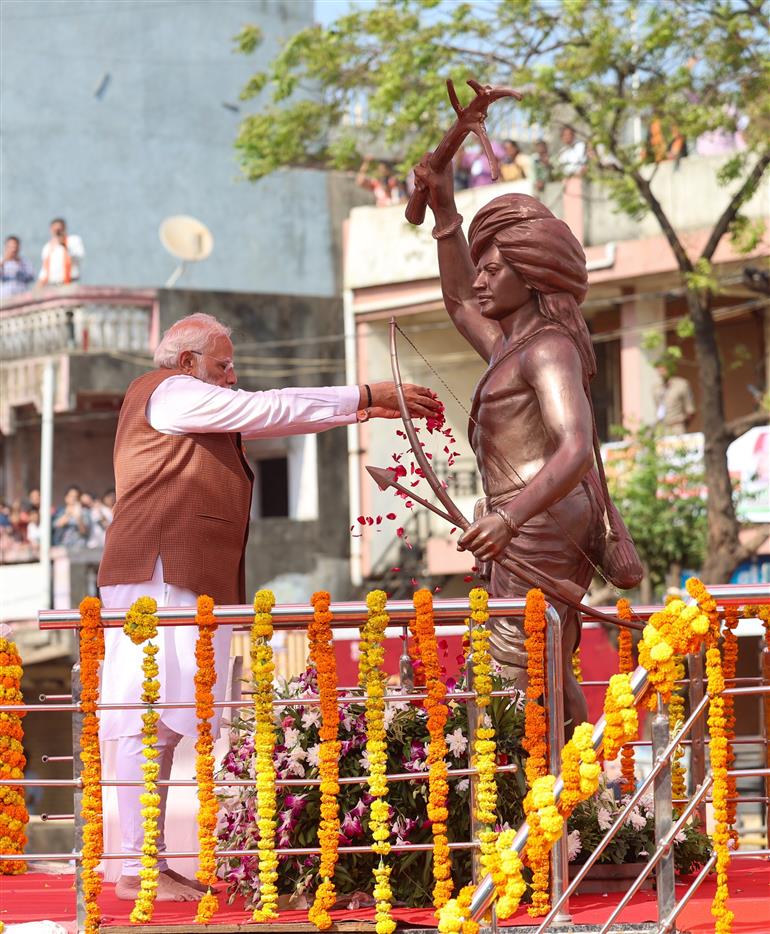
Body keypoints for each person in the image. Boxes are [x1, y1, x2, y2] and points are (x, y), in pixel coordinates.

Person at [97, 312, 439, 901]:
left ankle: (143, 861)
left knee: (169, 718)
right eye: (223, 365)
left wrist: (358, 409)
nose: (232, 377)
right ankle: (133, 866)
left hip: (179, 576)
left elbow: (274, 416)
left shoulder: (190, 400)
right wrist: (362, 393)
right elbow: (267, 409)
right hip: (155, 573)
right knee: (144, 714)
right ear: (186, 363)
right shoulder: (174, 394)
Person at [413, 157, 612, 733]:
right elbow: (456, 304)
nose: (479, 282)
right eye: (479, 269)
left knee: (528, 662)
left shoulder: (549, 348)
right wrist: (446, 212)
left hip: (543, 519)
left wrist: (511, 518)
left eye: (493, 270)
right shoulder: (507, 345)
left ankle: (572, 794)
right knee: (537, 661)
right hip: (521, 518)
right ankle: (571, 791)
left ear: (530, 276)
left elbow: (574, 446)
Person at [38, 217, 84, 286]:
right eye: (55, 230)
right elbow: (44, 269)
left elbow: (79, 257)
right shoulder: (47, 247)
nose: (57, 232)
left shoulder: (73, 241)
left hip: (70, 284)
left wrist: (64, 245)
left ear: (64, 228)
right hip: (52, 285)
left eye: (59, 230)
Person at [653, 362, 695, 435]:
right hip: (662, 427)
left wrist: (682, 425)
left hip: (677, 426)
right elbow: (658, 408)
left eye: (663, 369)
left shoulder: (681, 384)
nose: (661, 372)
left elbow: (690, 411)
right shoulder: (656, 388)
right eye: (659, 370)